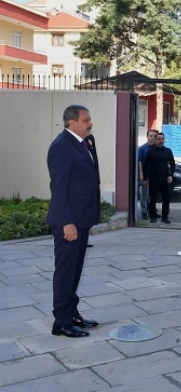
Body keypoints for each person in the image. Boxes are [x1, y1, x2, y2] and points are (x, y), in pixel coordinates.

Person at [47, 105, 101, 338]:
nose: (90, 123)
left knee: (76, 270)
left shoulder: (85, 143)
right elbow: (58, 188)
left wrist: (88, 217)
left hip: (81, 219)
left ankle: (71, 312)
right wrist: (67, 222)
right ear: (72, 122)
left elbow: (88, 181)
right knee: (66, 272)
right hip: (68, 221)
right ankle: (61, 322)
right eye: (86, 119)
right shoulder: (61, 147)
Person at [142, 132, 175, 224]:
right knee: (153, 199)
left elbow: (172, 164)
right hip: (153, 179)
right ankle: (152, 217)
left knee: (166, 199)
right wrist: (145, 178)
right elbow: (145, 165)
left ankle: (165, 217)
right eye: (159, 139)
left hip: (165, 179)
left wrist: (171, 175)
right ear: (155, 140)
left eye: (162, 139)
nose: (161, 141)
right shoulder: (150, 151)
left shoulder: (168, 151)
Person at [137, 130, 158, 219]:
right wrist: (141, 174)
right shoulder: (142, 149)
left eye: (154, 136)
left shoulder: (158, 149)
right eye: (151, 136)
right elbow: (139, 162)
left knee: (153, 195)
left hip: (155, 175)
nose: (152, 138)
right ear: (147, 137)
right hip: (146, 175)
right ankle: (144, 212)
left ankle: (152, 211)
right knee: (144, 194)